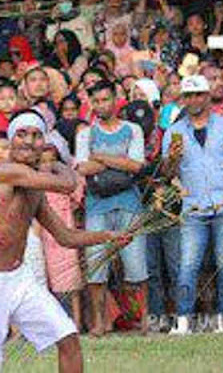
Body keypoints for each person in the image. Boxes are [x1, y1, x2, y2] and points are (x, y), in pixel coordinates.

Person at [0, 110, 130, 373]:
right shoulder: (6, 172)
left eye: (37, 135)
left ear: (45, 144)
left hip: (20, 279)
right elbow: (68, 185)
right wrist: (62, 165)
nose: (29, 140)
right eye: (22, 134)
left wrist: (108, 237)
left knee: (68, 337)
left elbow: (66, 236)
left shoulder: (35, 188)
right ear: (12, 140)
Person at [162, 75, 223, 335]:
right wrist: (173, 160)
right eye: (189, 96)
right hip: (193, 206)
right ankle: (184, 321)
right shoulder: (173, 132)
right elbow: (167, 174)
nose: (194, 100)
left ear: (208, 96)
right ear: (183, 100)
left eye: (199, 94)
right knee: (188, 264)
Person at [75, 80, 149, 336]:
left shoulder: (133, 129)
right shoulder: (85, 134)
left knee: (136, 266)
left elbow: (138, 166)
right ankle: (100, 322)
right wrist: (121, 162)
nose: (100, 105)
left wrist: (102, 158)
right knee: (96, 269)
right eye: (95, 101)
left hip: (129, 203)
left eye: (105, 99)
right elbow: (83, 169)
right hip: (97, 205)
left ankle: (143, 320)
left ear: (116, 99)